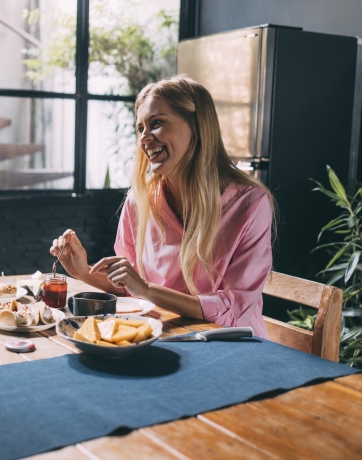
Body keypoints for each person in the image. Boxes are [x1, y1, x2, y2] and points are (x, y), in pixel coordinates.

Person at [51, 75, 274, 338]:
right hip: (165, 336)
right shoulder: (139, 201)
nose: (145, 138)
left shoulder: (250, 203)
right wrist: (83, 271)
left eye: (156, 123)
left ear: (197, 126)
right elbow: (130, 288)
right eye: (140, 129)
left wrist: (146, 288)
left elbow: (235, 310)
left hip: (230, 347)